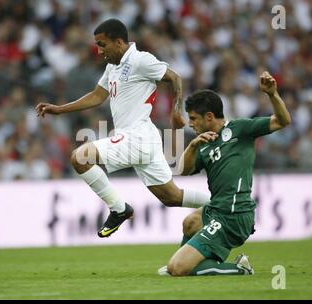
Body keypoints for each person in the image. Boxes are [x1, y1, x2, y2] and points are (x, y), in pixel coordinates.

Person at [36, 19, 209, 238]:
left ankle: (119, 209)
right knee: (172, 197)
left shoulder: (140, 60)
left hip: (136, 137)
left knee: (80, 157)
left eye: (102, 44)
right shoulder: (112, 67)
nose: (99, 51)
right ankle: (224, 206)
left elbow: (175, 77)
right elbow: (97, 96)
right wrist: (60, 109)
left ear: (119, 42)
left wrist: (176, 111)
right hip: (143, 138)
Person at [158, 71, 291, 276]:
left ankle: (240, 269)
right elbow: (183, 170)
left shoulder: (241, 129)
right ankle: (189, 262)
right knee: (190, 222)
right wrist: (193, 145)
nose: (190, 123)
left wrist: (272, 95)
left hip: (234, 215)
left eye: (193, 118)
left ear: (209, 117)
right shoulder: (203, 143)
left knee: (177, 268)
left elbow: (282, 121)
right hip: (216, 209)